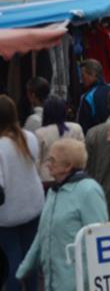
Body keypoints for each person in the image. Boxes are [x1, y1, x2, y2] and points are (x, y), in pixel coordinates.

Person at [16, 139, 108, 291]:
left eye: (52, 160)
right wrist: (24, 268)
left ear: (68, 166)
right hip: (53, 282)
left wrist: (87, 281)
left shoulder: (89, 191)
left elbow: (98, 240)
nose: (47, 164)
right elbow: (42, 233)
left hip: (77, 284)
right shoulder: (54, 191)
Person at [0, 95, 45, 291]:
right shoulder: (29, 137)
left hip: (8, 213)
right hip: (33, 205)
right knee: (30, 257)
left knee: (12, 261)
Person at [34, 96, 84, 187]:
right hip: (72, 177)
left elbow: (37, 160)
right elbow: (83, 154)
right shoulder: (76, 128)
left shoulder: (40, 133)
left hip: (47, 179)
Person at [77, 59, 110, 132]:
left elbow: (84, 126)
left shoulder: (88, 97)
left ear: (93, 74)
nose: (81, 79)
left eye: (83, 75)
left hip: (98, 137)